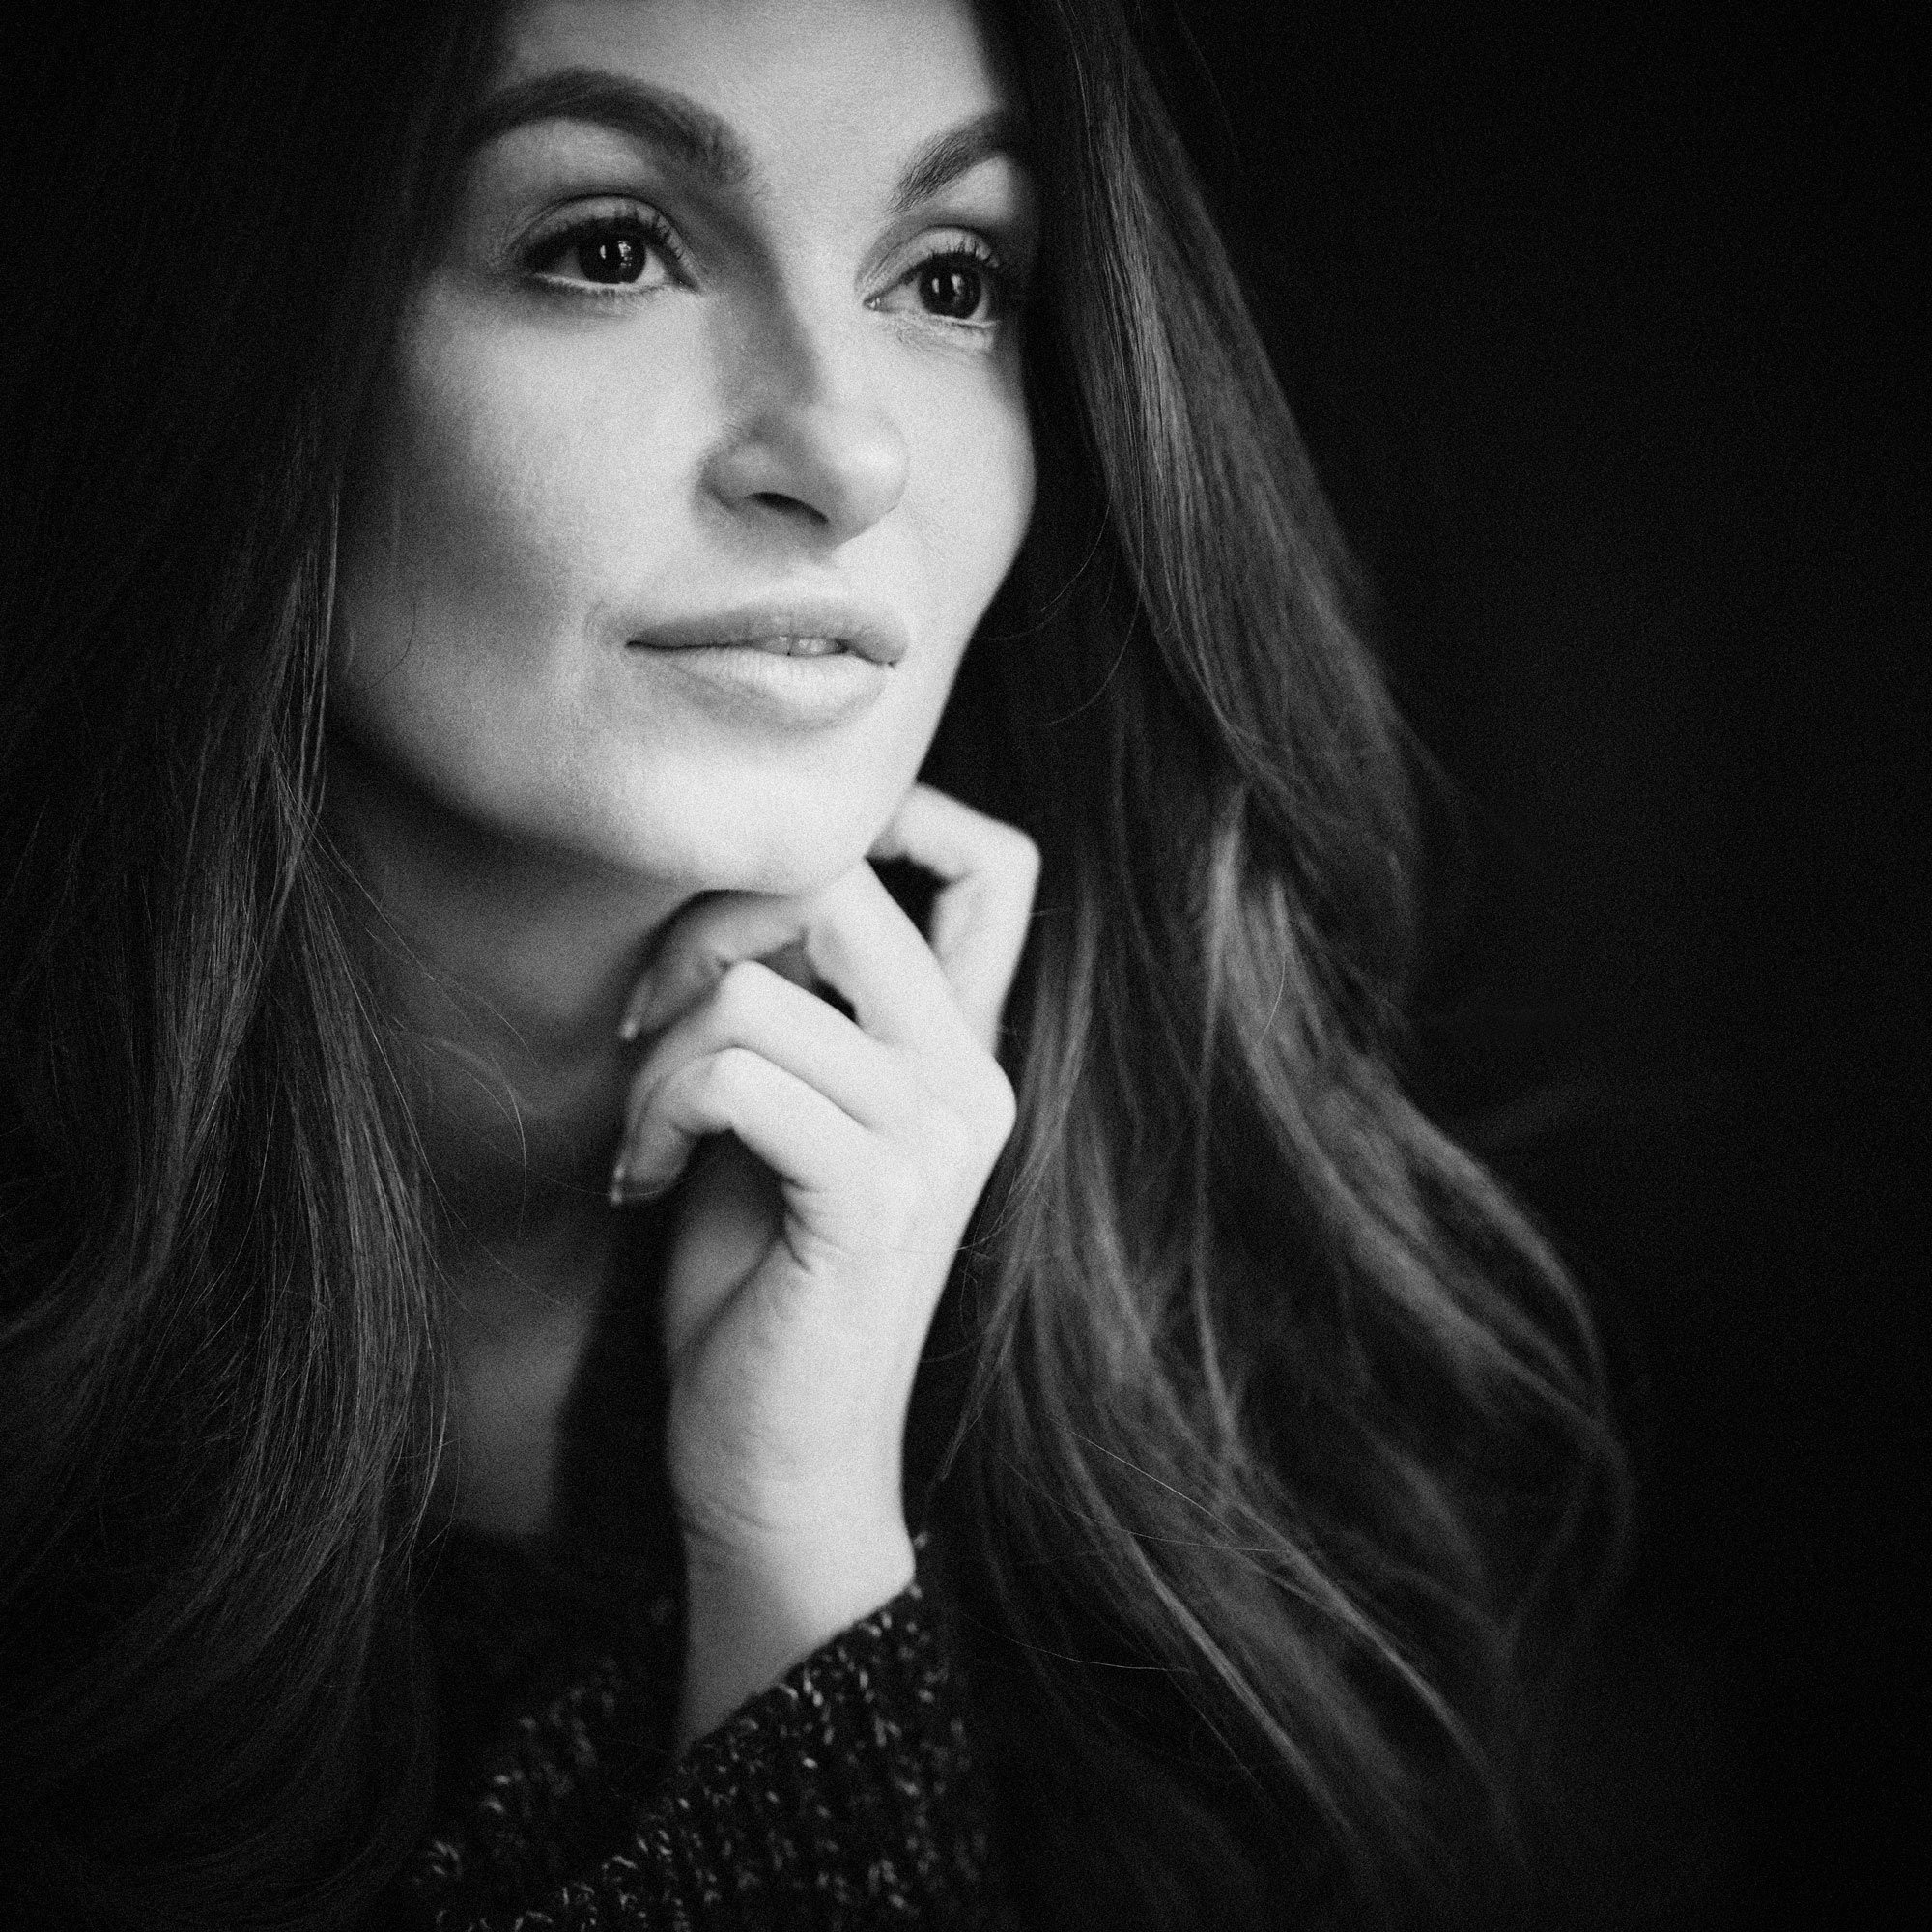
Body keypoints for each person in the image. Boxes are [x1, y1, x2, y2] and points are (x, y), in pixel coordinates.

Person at [0, 0, 1620, 1925]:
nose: (844, 452)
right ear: (230, 338)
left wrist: (799, 1554)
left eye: (950, 280)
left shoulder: (1249, 1410)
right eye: (610, 246)